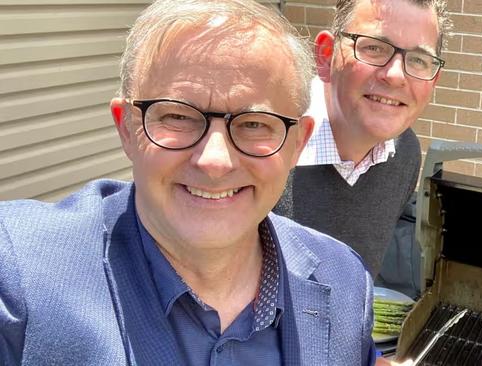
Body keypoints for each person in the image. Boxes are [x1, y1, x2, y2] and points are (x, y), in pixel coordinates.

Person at [0, 0, 376, 364]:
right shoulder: (18, 274)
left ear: (298, 143)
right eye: (178, 117)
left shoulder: (345, 284)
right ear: (126, 128)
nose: (214, 160)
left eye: (253, 124)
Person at [274, 0, 450, 279]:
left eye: (418, 59)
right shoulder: (263, 144)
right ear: (326, 55)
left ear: (434, 81)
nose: (395, 76)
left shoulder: (405, 154)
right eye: (374, 48)